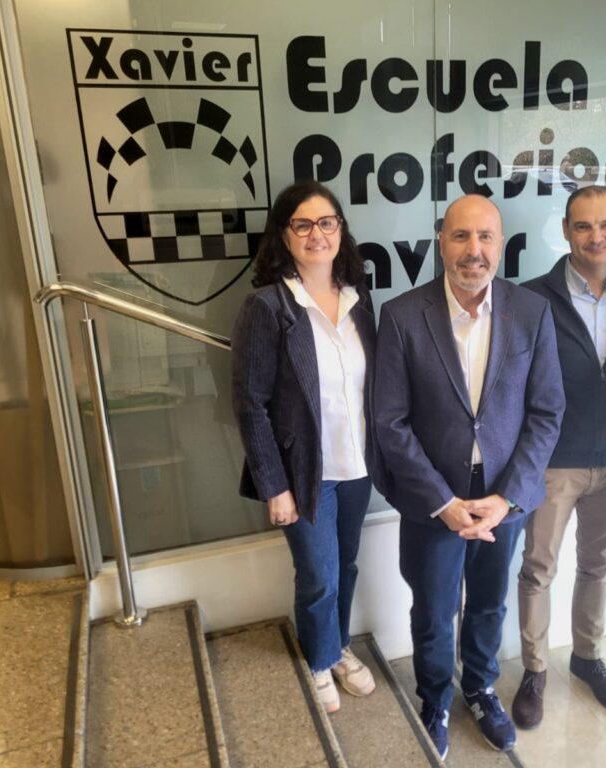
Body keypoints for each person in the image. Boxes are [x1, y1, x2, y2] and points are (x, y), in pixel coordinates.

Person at [374, 194, 564, 758]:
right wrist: (442, 502)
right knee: (434, 611)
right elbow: (389, 421)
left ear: (500, 245)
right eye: (460, 236)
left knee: (488, 602)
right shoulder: (402, 316)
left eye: (485, 237)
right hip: (433, 498)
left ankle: (479, 689)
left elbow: (546, 412)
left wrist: (507, 498)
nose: (473, 250)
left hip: (502, 497)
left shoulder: (531, 312)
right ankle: (434, 698)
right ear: (442, 242)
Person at [232, 180, 379, 714]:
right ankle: (319, 660)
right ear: (284, 235)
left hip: (358, 466)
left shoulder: (359, 300)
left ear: (341, 230)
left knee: (347, 566)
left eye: (327, 222)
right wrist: (275, 486)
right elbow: (250, 404)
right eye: (303, 224)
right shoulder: (268, 307)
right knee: (318, 575)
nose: (317, 234)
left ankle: (338, 646)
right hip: (303, 473)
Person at [513, 185, 606, 728]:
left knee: (598, 565)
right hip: (553, 462)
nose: (597, 236)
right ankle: (534, 670)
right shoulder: (532, 299)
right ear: (567, 231)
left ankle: (587, 658)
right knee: (538, 570)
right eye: (584, 226)